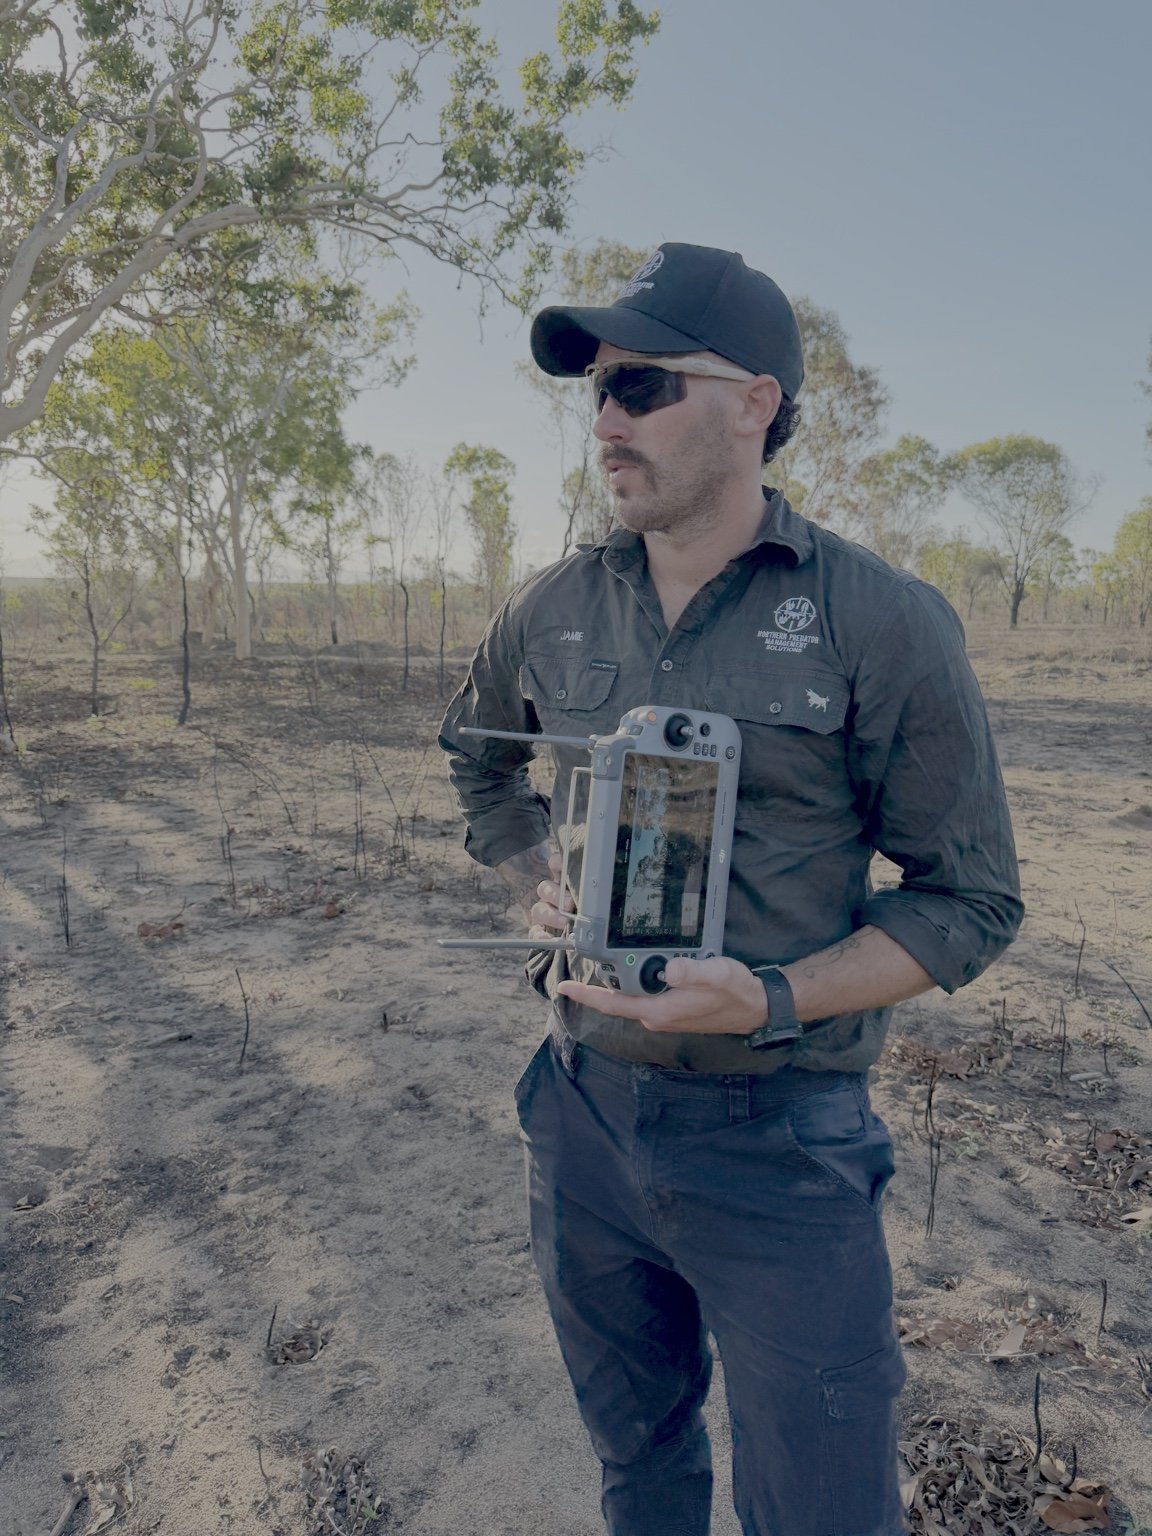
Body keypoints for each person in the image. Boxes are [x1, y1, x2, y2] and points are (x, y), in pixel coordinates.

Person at [438, 242, 1022, 1536]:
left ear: (757, 402)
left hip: (784, 1144)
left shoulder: (883, 621)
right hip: (577, 1114)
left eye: (641, 386)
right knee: (638, 1471)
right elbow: (478, 760)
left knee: (823, 1511)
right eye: (594, 392)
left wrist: (768, 995)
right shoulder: (553, 607)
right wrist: (537, 879)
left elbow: (970, 900)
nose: (605, 421)